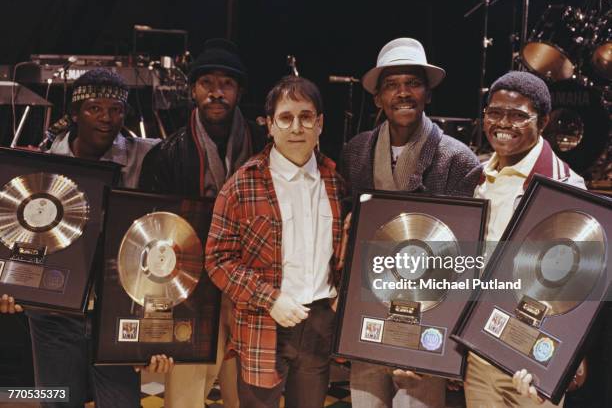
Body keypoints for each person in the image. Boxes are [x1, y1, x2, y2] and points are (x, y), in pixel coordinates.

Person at [340, 37, 482, 408]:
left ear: (428, 94)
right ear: (377, 98)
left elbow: (461, 258)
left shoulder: (458, 160)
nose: (403, 93)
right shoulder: (355, 152)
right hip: (367, 309)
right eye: (391, 85)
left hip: (426, 315)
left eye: (413, 83)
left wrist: (436, 343)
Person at [24, 68, 172, 408]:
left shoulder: (148, 155)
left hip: (116, 312)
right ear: (75, 113)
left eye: (116, 109)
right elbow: (21, 235)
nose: (107, 118)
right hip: (53, 314)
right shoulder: (40, 163)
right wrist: (11, 283)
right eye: (95, 108)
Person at [139, 38, 267, 408]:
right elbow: (153, 238)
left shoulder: (265, 145)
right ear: (193, 90)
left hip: (249, 288)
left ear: (239, 92)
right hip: (190, 292)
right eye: (207, 83)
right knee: (184, 397)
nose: (216, 92)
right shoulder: (165, 155)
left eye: (226, 84)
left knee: (246, 396)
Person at [205, 75, 348, 407]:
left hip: (318, 322)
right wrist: (269, 299)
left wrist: (341, 294)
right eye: (285, 117)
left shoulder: (337, 184)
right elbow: (217, 259)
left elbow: (344, 250)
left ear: (320, 123)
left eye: (306, 116)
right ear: (269, 125)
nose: (296, 127)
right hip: (262, 321)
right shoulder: (242, 185)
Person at [466, 70, 586, 408]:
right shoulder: (477, 177)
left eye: (518, 115)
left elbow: (578, 281)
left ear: (543, 121)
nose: (503, 123)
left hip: (533, 355)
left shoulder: (566, 186)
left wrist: (569, 356)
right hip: (480, 351)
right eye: (494, 112)